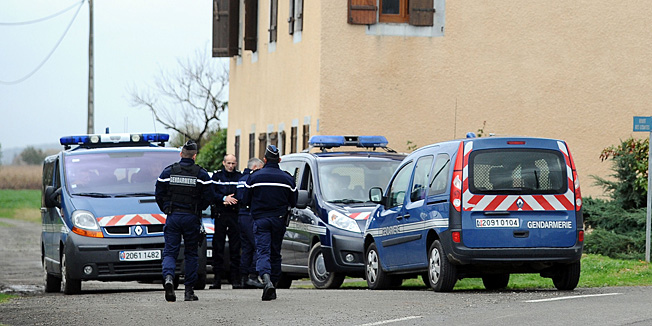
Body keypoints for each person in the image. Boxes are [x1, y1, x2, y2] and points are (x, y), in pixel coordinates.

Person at [155, 140, 214, 302]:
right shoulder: (201, 174)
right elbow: (209, 197)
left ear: (181, 154)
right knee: (191, 254)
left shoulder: (168, 172)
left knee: (170, 251)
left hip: (173, 216)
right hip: (191, 217)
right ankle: (189, 291)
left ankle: (168, 278)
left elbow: (159, 194)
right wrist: (198, 209)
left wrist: (167, 208)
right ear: (194, 156)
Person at [244, 145, 297, 301]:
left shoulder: (254, 177)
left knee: (263, 252)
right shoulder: (287, 178)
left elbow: (245, 200)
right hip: (279, 220)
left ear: (265, 160)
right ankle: (272, 282)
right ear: (279, 160)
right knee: (275, 253)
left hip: (260, 220)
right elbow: (293, 201)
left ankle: (266, 281)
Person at [210, 154, 243, 289]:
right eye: (228, 163)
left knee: (236, 248)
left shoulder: (239, 177)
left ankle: (235, 279)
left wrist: (232, 200)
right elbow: (211, 193)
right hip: (221, 214)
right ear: (223, 163)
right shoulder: (217, 177)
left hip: (235, 214)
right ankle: (217, 280)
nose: (230, 166)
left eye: (233, 163)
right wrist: (223, 198)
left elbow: (242, 194)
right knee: (218, 247)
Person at [235, 157, 265, 289]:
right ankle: (253, 276)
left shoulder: (241, 178)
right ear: (255, 168)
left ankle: (243, 277)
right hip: (250, 215)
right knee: (257, 246)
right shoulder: (251, 179)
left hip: (241, 215)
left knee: (246, 248)